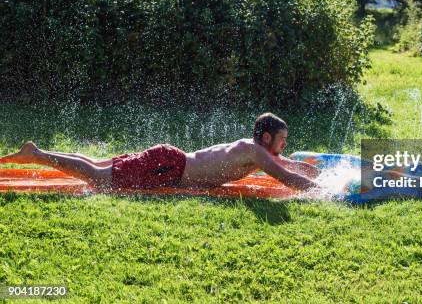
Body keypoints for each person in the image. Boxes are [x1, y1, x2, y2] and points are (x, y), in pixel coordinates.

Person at [0, 113, 320, 191]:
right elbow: (285, 176)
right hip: (169, 167)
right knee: (101, 179)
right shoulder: (257, 152)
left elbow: (287, 164)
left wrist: (316, 170)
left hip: (169, 161)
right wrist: (325, 191)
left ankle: (40, 151)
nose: (284, 146)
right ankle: (38, 154)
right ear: (266, 138)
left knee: (99, 164)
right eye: (281, 140)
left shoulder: (255, 149)